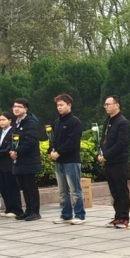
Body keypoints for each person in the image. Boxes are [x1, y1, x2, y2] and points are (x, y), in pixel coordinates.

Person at [49, 94, 86, 225]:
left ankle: (80, 215)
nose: (59, 107)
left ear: (69, 105)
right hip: (59, 161)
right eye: (57, 105)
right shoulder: (56, 122)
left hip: (71, 160)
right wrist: (51, 151)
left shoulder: (75, 122)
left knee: (75, 190)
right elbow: (52, 139)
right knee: (63, 191)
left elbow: (72, 142)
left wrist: (59, 152)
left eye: (62, 105)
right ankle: (66, 214)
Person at [97, 95, 130, 228]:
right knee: (114, 191)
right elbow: (105, 139)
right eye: (105, 104)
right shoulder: (108, 121)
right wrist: (101, 152)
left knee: (121, 190)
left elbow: (121, 143)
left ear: (117, 105)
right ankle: (118, 216)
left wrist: (107, 155)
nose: (106, 107)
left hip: (119, 161)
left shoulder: (123, 122)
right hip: (109, 162)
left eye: (108, 104)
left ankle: (124, 217)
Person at [9, 99, 42, 221]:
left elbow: (31, 141)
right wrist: (12, 151)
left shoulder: (30, 122)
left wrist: (17, 152)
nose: (16, 108)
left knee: (30, 186)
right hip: (19, 161)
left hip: (29, 160)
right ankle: (28, 210)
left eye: (19, 106)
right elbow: (13, 140)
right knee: (24, 186)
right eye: (14, 106)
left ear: (25, 109)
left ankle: (35, 211)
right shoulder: (16, 123)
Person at [0, 111, 21, 218]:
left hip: (9, 164)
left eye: (3, 120)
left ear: (9, 120)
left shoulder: (13, 132)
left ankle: (16, 209)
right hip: (0, 164)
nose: (1, 122)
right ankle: (8, 208)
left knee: (12, 187)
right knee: (3, 187)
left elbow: (10, 147)